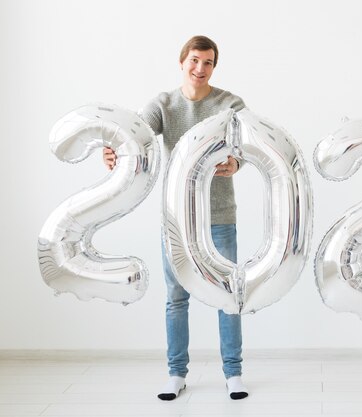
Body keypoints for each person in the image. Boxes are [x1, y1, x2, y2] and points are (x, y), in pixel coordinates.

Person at [103, 35, 248, 401]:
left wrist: (237, 161)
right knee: (176, 297)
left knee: (227, 295)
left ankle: (233, 374)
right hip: (176, 218)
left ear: (215, 67)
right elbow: (136, 134)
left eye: (208, 63)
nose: (200, 69)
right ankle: (176, 373)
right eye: (195, 61)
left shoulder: (229, 103)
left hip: (218, 215)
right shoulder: (163, 104)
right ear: (182, 62)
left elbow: (248, 143)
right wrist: (114, 151)